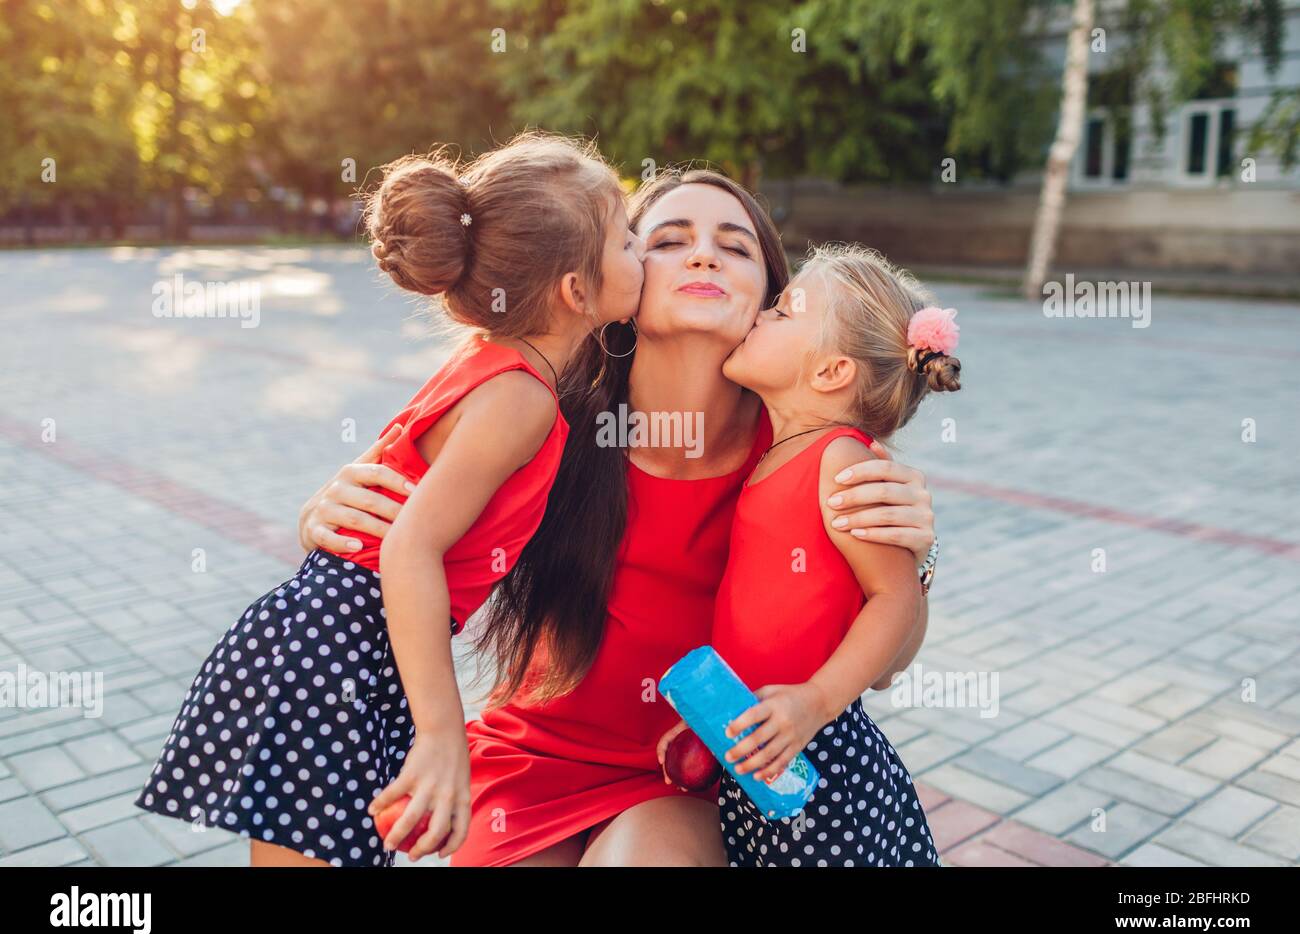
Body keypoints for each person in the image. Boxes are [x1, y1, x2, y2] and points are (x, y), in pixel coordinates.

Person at [299, 169, 939, 866]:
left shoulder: (810, 456)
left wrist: (917, 559)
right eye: (667, 239)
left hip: (693, 774)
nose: (703, 256)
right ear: (618, 280)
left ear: (769, 301)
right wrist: (325, 513)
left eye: (735, 246)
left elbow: (882, 666)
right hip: (531, 758)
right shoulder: (537, 405)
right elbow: (393, 512)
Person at [135, 131, 644, 867]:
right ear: (575, 291)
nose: (643, 251)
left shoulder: (491, 361)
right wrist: (442, 732)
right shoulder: (520, 397)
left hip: (339, 638)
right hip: (343, 648)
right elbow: (410, 545)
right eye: (628, 239)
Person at [673, 242, 958, 866]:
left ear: (831, 372)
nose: (760, 316)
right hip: (766, 745)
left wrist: (816, 701)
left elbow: (895, 595)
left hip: (826, 760)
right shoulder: (776, 455)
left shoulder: (840, 460)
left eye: (781, 312)